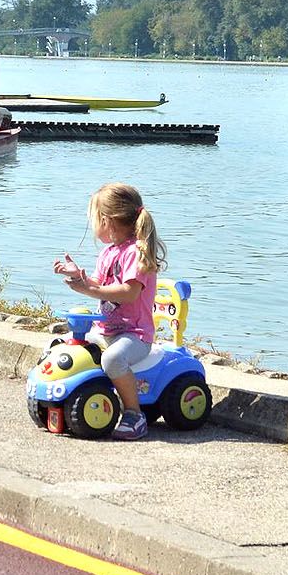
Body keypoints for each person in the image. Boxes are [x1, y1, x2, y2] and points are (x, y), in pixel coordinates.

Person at [52, 183, 166, 440]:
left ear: (109, 221)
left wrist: (91, 290)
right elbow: (99, 284)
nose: (93, 226)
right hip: (107, 329)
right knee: (68, 346)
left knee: (112, 360)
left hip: (135, 335)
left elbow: (129, 292)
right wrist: (79, 278)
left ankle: (134, 414)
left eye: (96, 220)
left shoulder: (137, 252)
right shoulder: (108, 253)